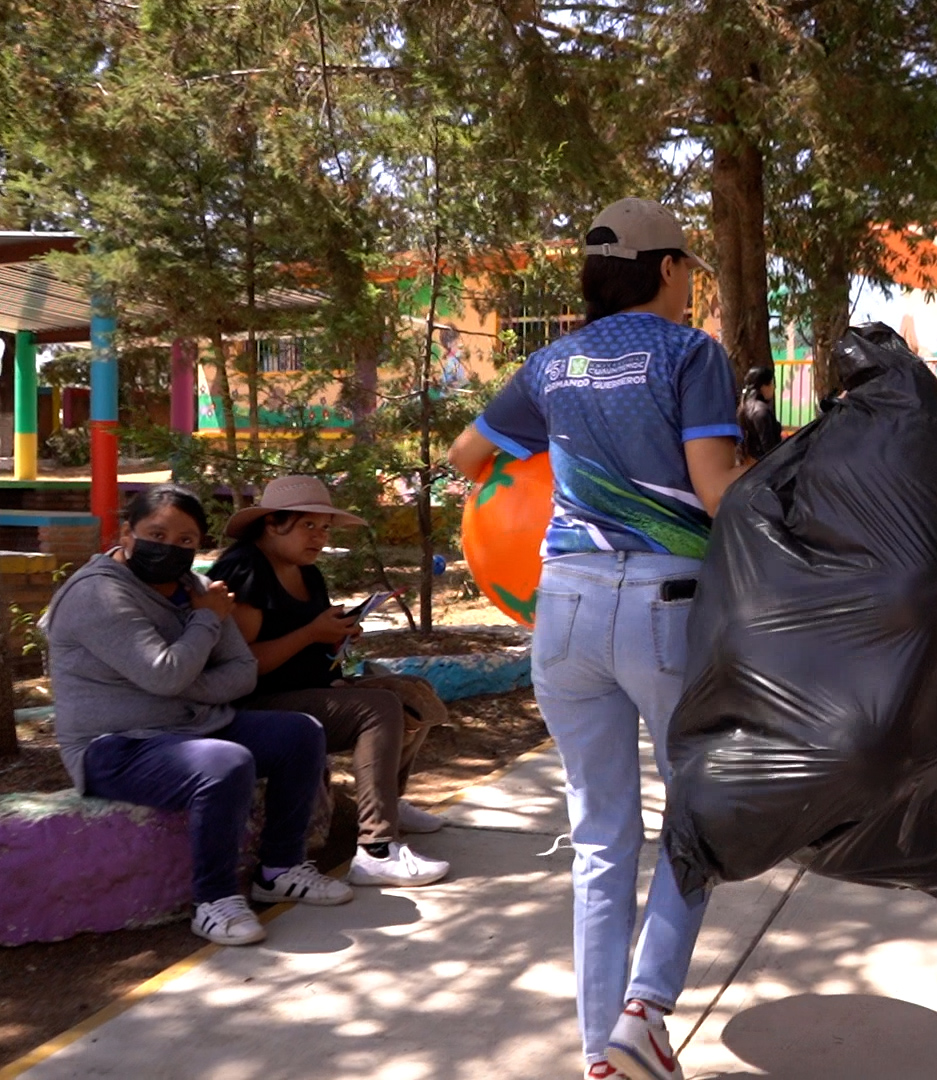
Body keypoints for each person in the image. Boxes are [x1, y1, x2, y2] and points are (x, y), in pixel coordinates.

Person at [448, 197, 750, 1080]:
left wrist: (571, 458)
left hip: (564, 607)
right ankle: (646, 1012)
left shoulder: (549, 362)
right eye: (689, 267)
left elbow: (468, 456)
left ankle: (597, 1053)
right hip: (665, 606)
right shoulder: (692, 354)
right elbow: (716, 487)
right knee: (695, 820)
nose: (691, 282)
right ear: (665, 269)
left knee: (600, 837)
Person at [45, 485, 351, 948]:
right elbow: (164, 673)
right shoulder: (98, 594)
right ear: (126, 533)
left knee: (300, 733)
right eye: (156, 533)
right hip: (114, 745)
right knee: (223, 763)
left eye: (186, 540)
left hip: (190, 726)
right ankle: (214, 901)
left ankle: (281, 869)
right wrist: (204, 623)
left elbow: (242, 671)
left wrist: (179, 681)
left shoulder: (198, 589)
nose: (170, 547)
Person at [209, 475, 451, 890]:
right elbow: (240, 666)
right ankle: (376, 849)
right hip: (254, 706)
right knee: (379, 709)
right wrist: (310, 634)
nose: (319, 537)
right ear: (273, 523)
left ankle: (387, 803)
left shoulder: (310, 574)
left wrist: (336, 638)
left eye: (325, 528)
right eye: (309, 525)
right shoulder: (244, 570)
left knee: (412, 694)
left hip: (307, 689)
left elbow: (313, 640)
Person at [738, 366, 782, 462]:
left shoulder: (745, 405)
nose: (773, 388)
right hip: (760, 466)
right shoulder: (761, 412)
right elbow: (769, 448)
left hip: (748, 463)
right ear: (763, 387)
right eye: (771, 383)